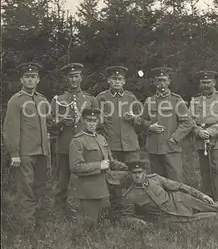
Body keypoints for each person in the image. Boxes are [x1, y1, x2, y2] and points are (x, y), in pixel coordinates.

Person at [3, 62, 51, 230]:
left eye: (34, 77)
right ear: (21, 79)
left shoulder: (42, 99)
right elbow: (10, 129)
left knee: (40, 186)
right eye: (27, 77)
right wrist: (14, 153)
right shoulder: (15, 101)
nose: (30, 80)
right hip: (25, 153)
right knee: (25, 189)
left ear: (38, 79)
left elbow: (47, 124)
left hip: (42, 152)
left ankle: (38, 221)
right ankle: (27, 227)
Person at [49, 63, 99, 217]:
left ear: (81, 78)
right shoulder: (58, 100)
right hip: (65, 145)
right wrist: (62, 122)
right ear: (66, 79)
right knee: (62, 180)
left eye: (76, 76)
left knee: (89, 178)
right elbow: (50, 124)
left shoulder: (90, 99)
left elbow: (99, 122)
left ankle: (89, 211)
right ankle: (59, 211)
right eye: (71, 76)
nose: (74, 79)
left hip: (85, 146)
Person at [119, 160, 218, 225]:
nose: (137, 176)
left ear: (145, 172)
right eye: (134, 173)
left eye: (139, 172)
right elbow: (125, 216)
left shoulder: (155, 179)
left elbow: (179, 186)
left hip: (182, 200)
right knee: (213, 216)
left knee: (214, 206)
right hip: (169, 216)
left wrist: (201, 195)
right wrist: (138, 222)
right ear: (130, 174)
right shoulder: (129, 196)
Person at [68, 108, 127, 221]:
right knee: (89, 225)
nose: (92, 124)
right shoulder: (77, 141)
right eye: (88, 121)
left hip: (104, 188)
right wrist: (99, 165)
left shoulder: (101, 138)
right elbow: (75, 167)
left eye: (94, 121)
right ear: (82, 121)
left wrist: (126, 167)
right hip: (88, 191)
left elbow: (110, 161)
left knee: (104, 222)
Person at [141, 67, 194, 182]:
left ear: (169, 82)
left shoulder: (176, 100)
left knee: (175, 180)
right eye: (159, 80)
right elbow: (142, 121)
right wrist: (150, 127)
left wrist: (175, 138)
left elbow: (188, 122)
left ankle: (178, 201)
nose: (162, 83)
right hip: (154, 148)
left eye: (164, 80)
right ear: (155, 82)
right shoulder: (149, 101)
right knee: (157, 181)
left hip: (171, 148)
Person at [190, 70, 218, 201]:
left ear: (214, 82)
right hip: (200, 140)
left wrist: (211, 132)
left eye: (208, 82)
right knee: (205, 172)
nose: (206, 85)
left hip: (217, 140)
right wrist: (197, 131)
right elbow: (188, 119)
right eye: (203, 82)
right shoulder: (195, 100)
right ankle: (208, 201)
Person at [96, 66, 141, 162]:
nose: (117, 82)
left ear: (124, 81)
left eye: (119, 79)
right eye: (114, 79)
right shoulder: (101, 98)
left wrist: (133, 118)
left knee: (134, 173)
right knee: (113, 175)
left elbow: (141, 119)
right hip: (111, 146)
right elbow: (96, 123)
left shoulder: (131, 98)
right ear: (108, 80)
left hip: (130, 146)